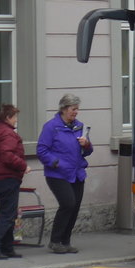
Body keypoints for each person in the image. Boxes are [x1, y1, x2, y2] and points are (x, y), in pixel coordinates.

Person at [37, 94, 92, 254]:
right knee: (67, 203)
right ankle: (55, 240)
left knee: (74, 207)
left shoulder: (79, 126)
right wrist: (56, 163)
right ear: (64, 109)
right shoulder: (51, 127)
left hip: (77, 173)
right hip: (57, 174)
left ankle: (65, 241)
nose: (76, 112)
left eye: (77, 109)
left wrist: (87, 144)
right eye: (73, 109)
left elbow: (87, 151)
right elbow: (41, 150)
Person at [0, 103, 29, 260]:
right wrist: (24, 166)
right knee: (8, 215)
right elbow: (7, 155)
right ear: (8, 117)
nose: (16, 120)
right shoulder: (7, 133)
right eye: (15, 116)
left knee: (8, 213)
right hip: (7, 178)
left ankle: (7, 247)